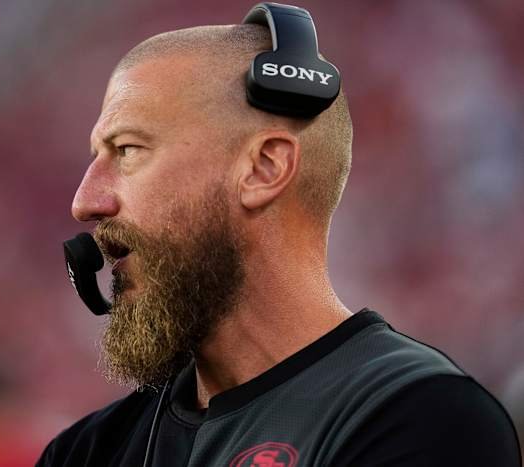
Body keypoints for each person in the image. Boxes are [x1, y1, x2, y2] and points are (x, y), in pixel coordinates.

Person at [37, 4, 521, 466]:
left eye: (127, 150)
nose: (85, 201)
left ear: (264, 168)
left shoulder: (423, 420)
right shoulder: (86, 451)